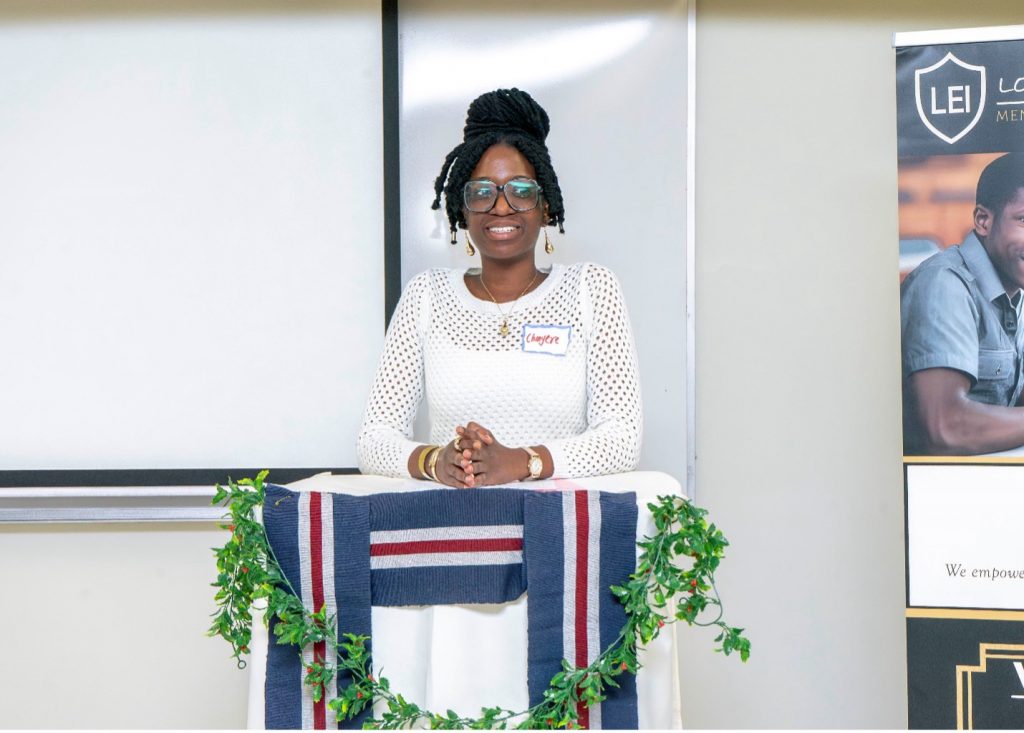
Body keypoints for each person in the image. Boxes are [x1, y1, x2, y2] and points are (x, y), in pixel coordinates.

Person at [357, 88, 642, 487]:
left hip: (561, 533)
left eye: (521, 190)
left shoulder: (590, 289)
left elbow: (621, 439)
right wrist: (436, 460)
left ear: (546, 206)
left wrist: (523, 462)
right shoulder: (426, 295)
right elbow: (374, 439)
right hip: (452, 529)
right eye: (482, 192)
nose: (502, 206)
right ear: (461, 209)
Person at [901, 152, 1024, 455]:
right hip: (935, 494)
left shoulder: (1015, 290)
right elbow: (945, 427)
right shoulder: (944, 285)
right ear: (983, 221)